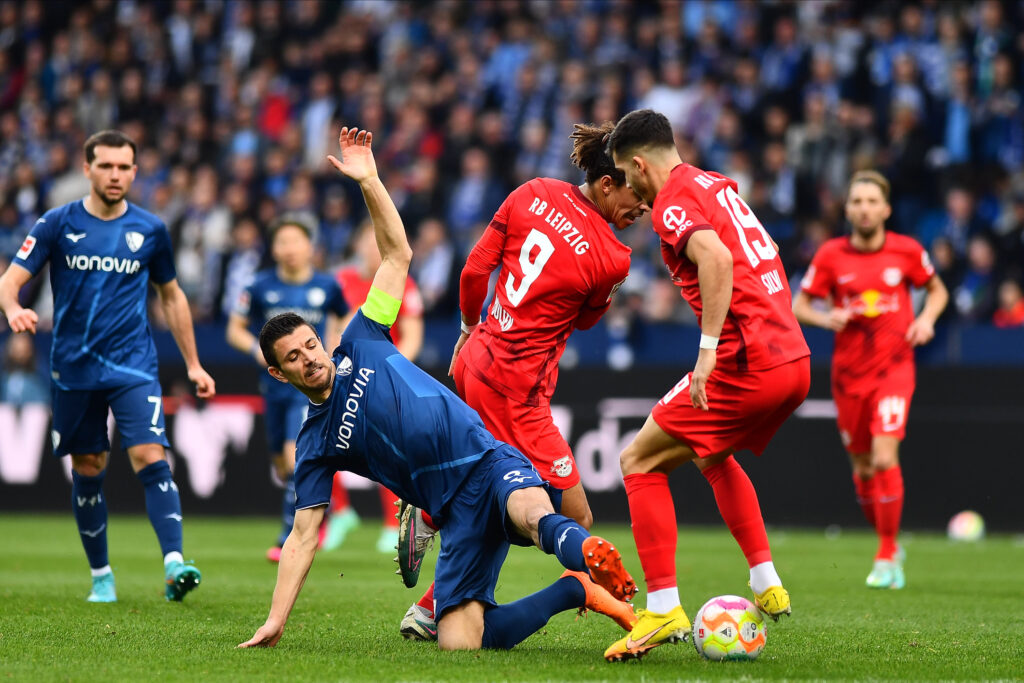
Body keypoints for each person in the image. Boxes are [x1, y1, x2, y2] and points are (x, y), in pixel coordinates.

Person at [239, 126, 637, 652]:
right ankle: (571, 589)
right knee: (460, 642)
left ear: (322, 338)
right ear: (279, 374)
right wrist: (275, 619)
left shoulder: (360, 338)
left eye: (310, 345)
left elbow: (397, 256)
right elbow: (302, 535)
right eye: (294, 358)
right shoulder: (315, 443)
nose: (309, 359)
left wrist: (370, 181)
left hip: (488, 463)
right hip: (457, 511)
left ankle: (586, 556)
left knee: (536, 512)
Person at [396, 121, 649, 642]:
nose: (643, 207)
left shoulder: (532, 191)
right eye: (637, 195)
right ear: (607, 184)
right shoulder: (614, 258)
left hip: (477, 357)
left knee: (506, 495)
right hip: (517, 391)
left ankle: (433, 581)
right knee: (570, 514)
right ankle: (433, 522)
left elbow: (473, 273)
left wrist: (468, 327)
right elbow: (585, 322)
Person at [601, 109, 811, 661]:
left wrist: (709, 349)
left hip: (747, 360)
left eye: (628, 175)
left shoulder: (672, 199)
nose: (632, 191)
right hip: (792, 357)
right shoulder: (715, 185)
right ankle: (766, 579)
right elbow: (767, 256)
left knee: (637, 462)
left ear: (641, 165)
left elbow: (716, 259)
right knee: (706, 452)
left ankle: (662, 608)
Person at [0, 129, 215, 603]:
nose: (116, 175)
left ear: (135, 172)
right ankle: (101, 574)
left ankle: (175, 564)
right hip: (74, 369)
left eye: (124, 167)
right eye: (107, 166)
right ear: (88, 169)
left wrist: (194, 364)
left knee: (149, 455)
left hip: (133, 364)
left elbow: (172, 295)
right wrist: (13, 308)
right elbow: (9, 280)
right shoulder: (56, 223)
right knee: (89, 465)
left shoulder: (151, 229)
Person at [793, 170, 948, 590]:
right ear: (847, 209)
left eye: (870, 201)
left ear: (886, 209)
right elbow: (800, 304)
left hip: (894, 369)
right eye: (856, 201)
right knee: (862, 469)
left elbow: (937, 290)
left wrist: (926, 320)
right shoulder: (831, 255)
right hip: (849, 377)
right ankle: (887, 539)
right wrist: (828, 318)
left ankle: (886, 552)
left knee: (883, 457)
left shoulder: (907, 251)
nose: (863, 208)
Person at [226, 214, 348, 563]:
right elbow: (234, 329)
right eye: (282, 242)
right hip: (275, 386)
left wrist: (332, 350)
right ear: (274, 249)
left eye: (296, 241)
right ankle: (331, 503)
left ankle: (286, 539)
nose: (290, 249)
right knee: (282, 465)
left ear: (311, 247)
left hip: (307, 387)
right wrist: (259, 352)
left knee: (295, 455)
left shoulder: (328, 286)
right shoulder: (259, 287)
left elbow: (344, 315)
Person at [327, 220, 426, 554]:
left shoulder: (403, 283)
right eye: (366, 244)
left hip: (384, 378)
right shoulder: (343, 282)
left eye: (377, 243)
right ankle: (340, 511)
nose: (372, 250)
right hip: (345, 375)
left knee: (387, 450)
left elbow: (412, 334)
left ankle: (390, 522)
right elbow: (334, 329)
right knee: (324, 440)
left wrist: (394, 368)